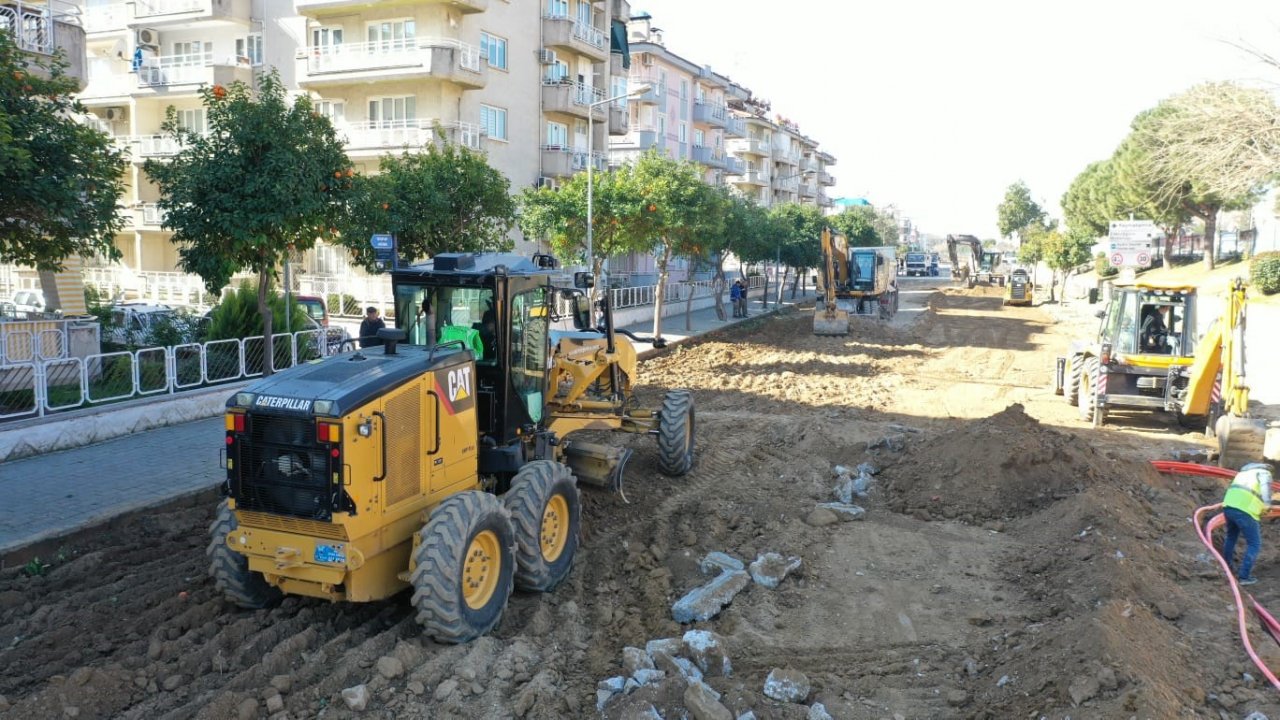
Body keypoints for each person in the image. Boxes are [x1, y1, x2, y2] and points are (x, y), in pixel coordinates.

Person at [1221, 462, 1276, 586]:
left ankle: (1226, 568)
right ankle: (1244, 577)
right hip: (1245, 511)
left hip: (1228, 507)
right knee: (1254, 544)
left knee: (1231, 537)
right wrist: (1267, 504)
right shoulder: (1264, 473)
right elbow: (1265, 489)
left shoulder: (1243, 474)